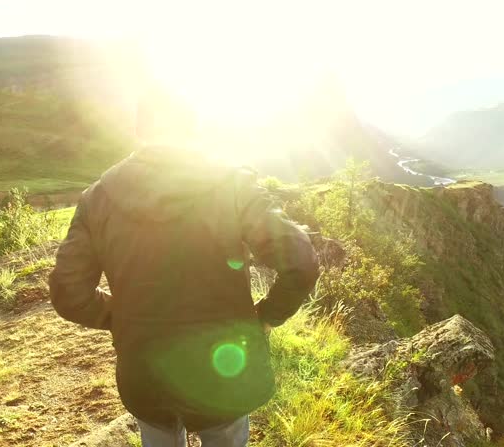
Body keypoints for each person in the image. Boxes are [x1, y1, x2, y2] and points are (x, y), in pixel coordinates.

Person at [48, 88, 320, 447]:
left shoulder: (98, 197)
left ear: (140, 130)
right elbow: (300, 260)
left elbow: (68, 292)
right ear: (193, 128)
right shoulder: (233, 184)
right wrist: (267, 316)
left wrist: (120, 318)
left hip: (145, 371)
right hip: (224, 371)